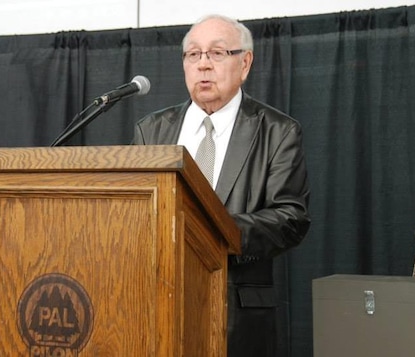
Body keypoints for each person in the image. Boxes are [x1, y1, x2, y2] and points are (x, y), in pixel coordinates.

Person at [132, 14, 311, 356]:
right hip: (157, 305)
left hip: (237, 315)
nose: (203, 65)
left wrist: (212, 229)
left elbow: (291, 219)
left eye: (216, 54)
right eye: (193, 55)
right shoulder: (151, 130)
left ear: (244, 63)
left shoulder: (277, 131)